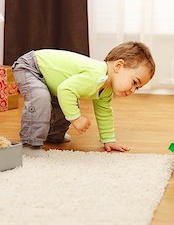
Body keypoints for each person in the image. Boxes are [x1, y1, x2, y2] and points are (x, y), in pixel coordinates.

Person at [12, 41, 155, 152]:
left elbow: (104, 113)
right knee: (41, 98)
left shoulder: (106, 89)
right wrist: (76, 118)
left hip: (50, 78)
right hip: (31, 67)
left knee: (68, 104)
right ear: (118, 66)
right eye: (134, 82)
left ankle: (53, 135)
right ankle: (30, 145)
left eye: (138, 88)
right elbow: (65, 89)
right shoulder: (96, 75)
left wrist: (109, 140)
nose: (133, 90)